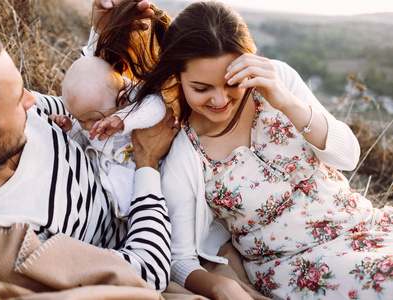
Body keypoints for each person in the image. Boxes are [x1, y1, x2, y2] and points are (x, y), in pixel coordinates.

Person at [101, 1, 393, 299]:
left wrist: (285, 102)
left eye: (232, 83)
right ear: (178, 78)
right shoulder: (187, 153)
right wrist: (219, 285)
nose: (220, 100)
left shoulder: (278, 80)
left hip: (366, 226)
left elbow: (348, 157)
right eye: (202, 88)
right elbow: (180, 259)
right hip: (303, 265)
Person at [0, 0, 179, 293]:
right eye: (18, 98)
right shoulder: (8, 246)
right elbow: (149, 272)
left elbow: (85, 110)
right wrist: (147, 161)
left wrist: (101, 34)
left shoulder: (6, 116)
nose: (32, 101)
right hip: (152, 218)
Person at [49, 55, 166, 218]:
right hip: (111, 191)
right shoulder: (94, 110)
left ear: (122, 99)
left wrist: (123, 119)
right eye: (81, 119)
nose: (90, 126)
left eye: (96, 119)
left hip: (153, 182)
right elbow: (86, 139)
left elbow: (157, 107)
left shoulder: (135, 98)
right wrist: (70, 128)